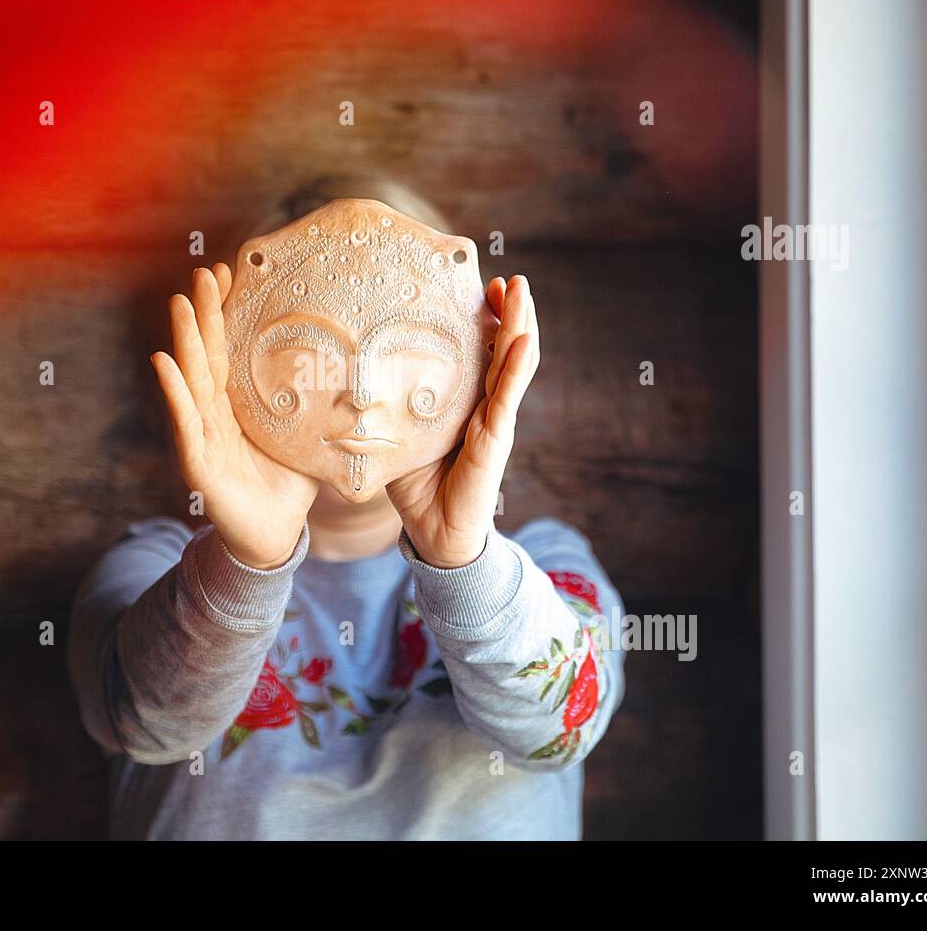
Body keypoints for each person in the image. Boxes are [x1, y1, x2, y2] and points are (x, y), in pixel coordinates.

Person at [66, 185, 626, 840]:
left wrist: (460, 555)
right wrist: (248, 560)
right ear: (226, 361)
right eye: (309, 345)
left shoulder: (550, 569)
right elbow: (148, 722)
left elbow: (560, 730)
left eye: (403, 340)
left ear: (477, 359)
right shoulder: (153, 567)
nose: (360, 391)